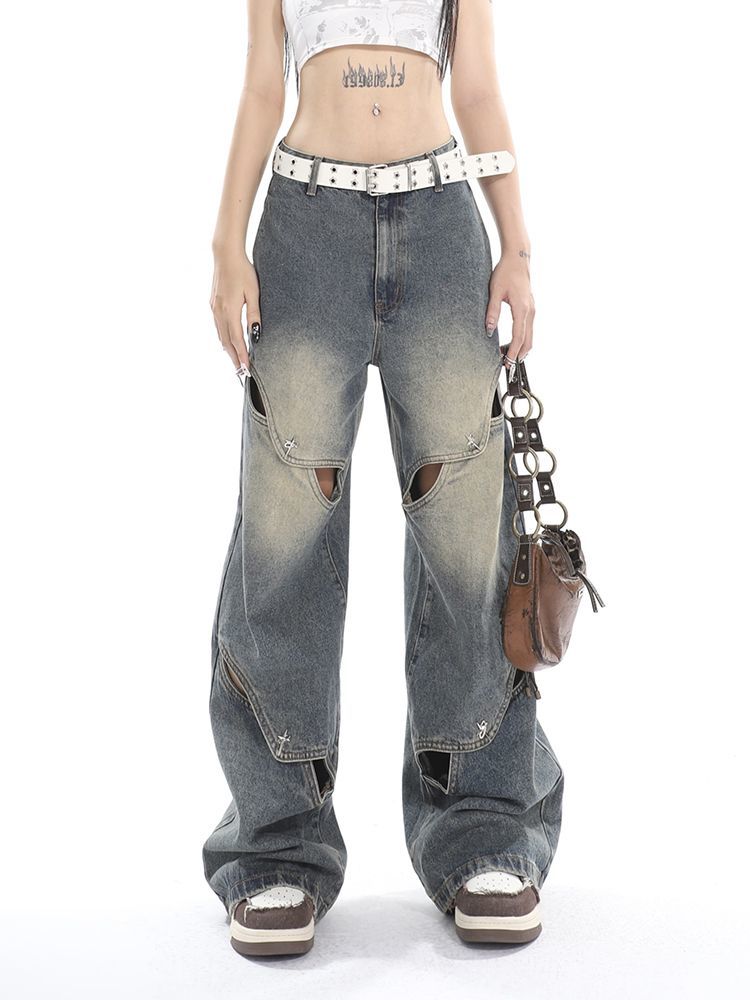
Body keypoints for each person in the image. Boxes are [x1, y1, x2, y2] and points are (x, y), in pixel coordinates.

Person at [204, 0, 563, 957]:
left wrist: (516, 246)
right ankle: (276, 846)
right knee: (284, 540)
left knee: (465, 539)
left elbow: (476, 88)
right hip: (304, 232)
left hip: (441, 227)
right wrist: (226, 244)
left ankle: (484, 832)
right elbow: (262, 84)